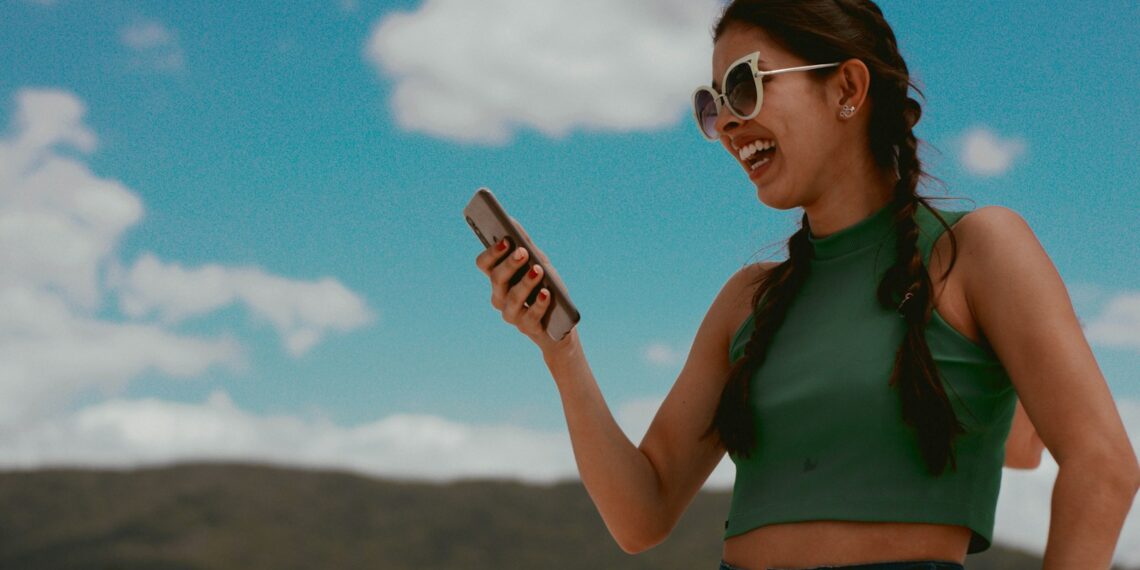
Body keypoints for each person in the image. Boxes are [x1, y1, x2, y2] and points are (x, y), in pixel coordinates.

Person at [474, 1, 1138, 568]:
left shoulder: (980, 250)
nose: (728, 124)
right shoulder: (747, 302)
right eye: (713, 106)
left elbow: (1103, 464)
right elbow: (641, 514)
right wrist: (560, 348)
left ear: (847, 88)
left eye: (743, 87)